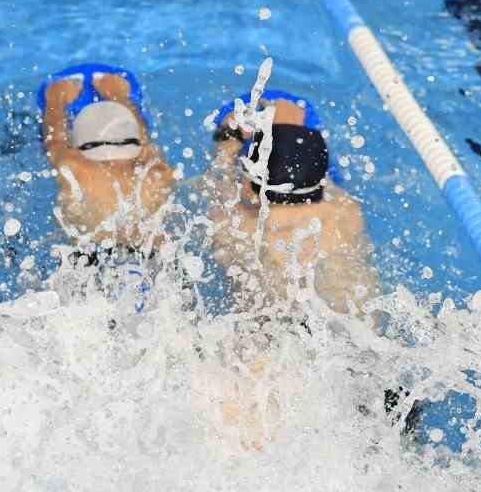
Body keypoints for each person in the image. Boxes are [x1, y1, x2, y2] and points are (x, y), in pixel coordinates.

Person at [200, 91, 379, 317]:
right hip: (345, 325)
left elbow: (218, 177)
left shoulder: (241, 223)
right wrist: (292, 132)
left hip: (263, 327)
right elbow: (318, 179)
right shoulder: (345, 212)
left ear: (248, 187)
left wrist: (230, 138)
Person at [37, 63, 174, 261]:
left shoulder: (75, 168)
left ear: (78, 150)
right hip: (153, 258)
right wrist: (122, 98)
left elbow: (54, 141)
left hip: (91, 261)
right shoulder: (157, 172)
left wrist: (55, 102)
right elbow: (145, 144)